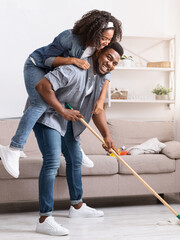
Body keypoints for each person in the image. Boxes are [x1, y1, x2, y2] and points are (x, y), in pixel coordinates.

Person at [0, 10, 122, 178]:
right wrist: (72, 60)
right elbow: (47, 59)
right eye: (103, 38)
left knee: (74, 98)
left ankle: (74, 147)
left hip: (55, 73)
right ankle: (13, 148)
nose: (105, 43)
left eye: (109, 39)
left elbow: (106, 74)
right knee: (40, 104)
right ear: (94, 31)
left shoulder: (98, 48)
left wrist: (101, 99)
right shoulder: (70, 37)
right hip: (38, 66)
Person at [33, 42, 123, 236]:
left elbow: (96, 111)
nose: (110, 64)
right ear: (99, 52)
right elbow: (42, 86)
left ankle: (77, 207)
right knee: (52, 162)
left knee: (75, 159)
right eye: (109, 57)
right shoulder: (74, 69)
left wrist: (107, 136)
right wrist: (63, 111)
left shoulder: (100, 78)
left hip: (69, 120)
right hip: (48, 116)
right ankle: (44, 218)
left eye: (115, 63)